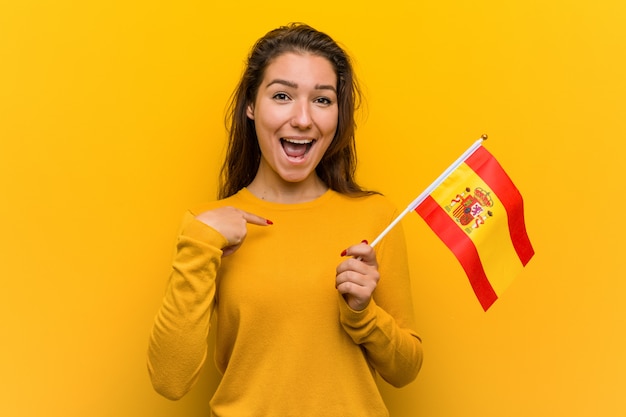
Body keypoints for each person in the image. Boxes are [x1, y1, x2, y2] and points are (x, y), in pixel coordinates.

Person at [147, 23, 423, 416]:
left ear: (338, 115)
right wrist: (200, 244)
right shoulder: (207, 227)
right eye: (282, 96)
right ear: (251, 105)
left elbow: (405, 369)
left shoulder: (374, 215)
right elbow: (169, 380)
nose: (303, 119)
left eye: (323, 100)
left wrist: (364, 314)